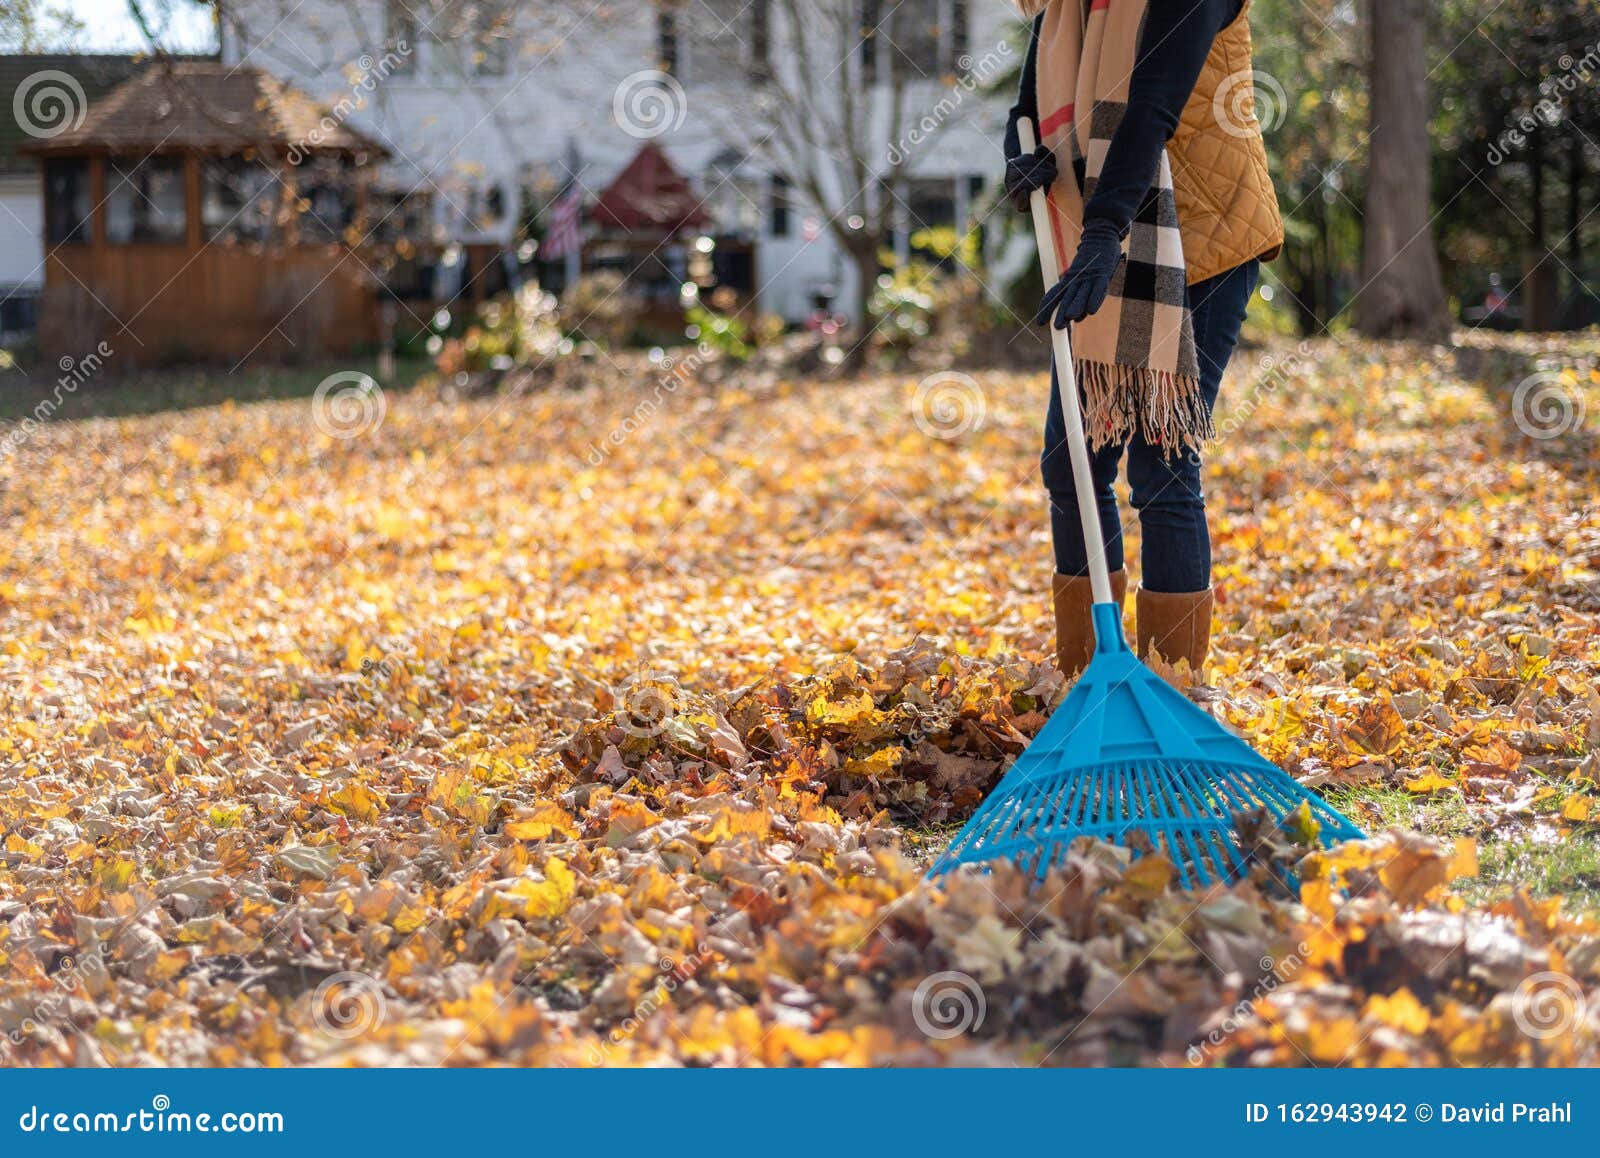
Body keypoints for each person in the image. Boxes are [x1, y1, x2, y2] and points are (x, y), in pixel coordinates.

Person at [1002, 0, 1285, 681]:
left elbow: (1151, 105)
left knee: (1162, 467)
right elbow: (1030, 95)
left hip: (1205, 240)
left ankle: (1173, 688)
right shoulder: (1069, 4)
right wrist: (1019, 149)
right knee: (1072, 461)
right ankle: (1089, 676)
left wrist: (1101, 232)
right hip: (1109, 237)